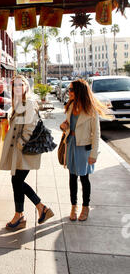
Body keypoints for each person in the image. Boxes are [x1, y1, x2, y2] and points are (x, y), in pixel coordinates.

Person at [0, 75, 54, 229]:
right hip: (21, 150)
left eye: (20, 84)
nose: (17, 87)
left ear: (25, 86)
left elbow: (30, 125)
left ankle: (39, 208)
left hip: (25, 150)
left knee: (17, 181)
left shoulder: (28, 102)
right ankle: (21, 215)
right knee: (16, 181)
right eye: (14, 85)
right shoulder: (19, 103)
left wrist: (20, 144)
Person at [60, 79, 107, 221]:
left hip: (84, 147)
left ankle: (85, 207)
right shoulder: (70, 106)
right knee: (72, 177)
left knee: (84, 178)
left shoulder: (91, 110)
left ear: (79, 91)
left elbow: (96, 134)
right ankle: (73, 206)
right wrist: (64, 126)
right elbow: (69, 124)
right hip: (71, 144)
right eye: (69, 90)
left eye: (71, 90)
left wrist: (94, 154)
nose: (69, 92)